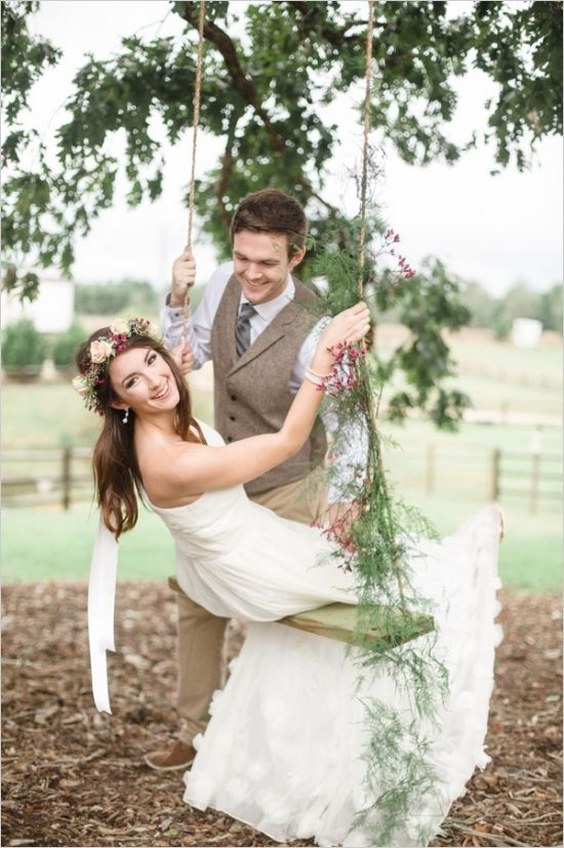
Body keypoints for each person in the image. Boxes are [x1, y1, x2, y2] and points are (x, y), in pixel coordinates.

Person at [74, 313, 503, 847]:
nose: (155, 379)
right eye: (132, 381)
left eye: (152, 361)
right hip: (254, 566)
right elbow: (286, 442)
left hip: (244, 545)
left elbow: (169, 368)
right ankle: (470, 552)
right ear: (118, 402)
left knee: (368, 557)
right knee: (409, 576)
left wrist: (177, 302)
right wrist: (322, 358)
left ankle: (315, 742)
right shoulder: (168, 461)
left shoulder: (158, 415)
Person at [151, 188, 367, 770]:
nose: (251, 272)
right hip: (218, 479)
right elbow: (189, 349)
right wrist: (177, 295)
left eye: (267, 263)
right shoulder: (222, 279)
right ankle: (193, 730)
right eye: (243, 256)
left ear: (296, 256)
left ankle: (281, 745)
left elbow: (350, 424)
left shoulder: (320, 323)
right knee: (198, 601)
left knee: (281, 616)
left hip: (290, 484)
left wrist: (344, 500)